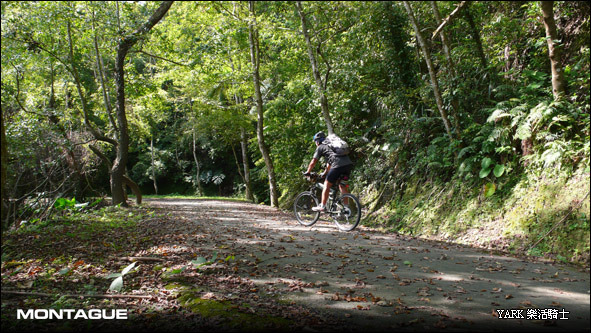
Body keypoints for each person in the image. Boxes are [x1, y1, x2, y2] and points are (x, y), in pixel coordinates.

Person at [304, 131, 353, 212]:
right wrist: (325, 173)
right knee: (342, 185)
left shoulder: (320, 147)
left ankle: (322, 206)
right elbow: (329, 163)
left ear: (317, 141)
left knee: (326, 184)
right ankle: (346, 208)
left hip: (337, 165)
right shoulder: (332, 145)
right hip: (348, 165)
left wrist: (308, 172)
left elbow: (313, 161)